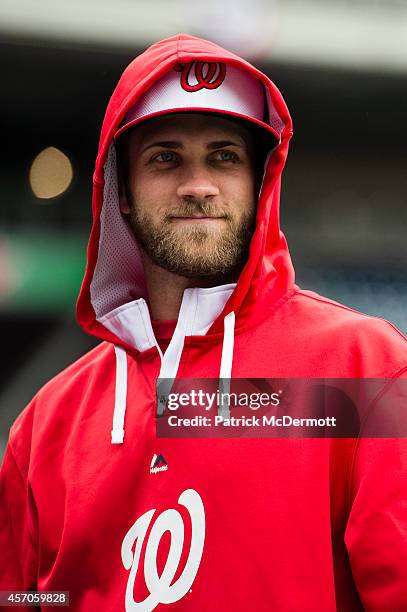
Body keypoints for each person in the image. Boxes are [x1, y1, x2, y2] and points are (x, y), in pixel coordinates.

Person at [0, 33, 406, 612]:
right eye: (165, 157)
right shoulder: (44, 426)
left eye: (225, 156)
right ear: (121, 190)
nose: (199, 185)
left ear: (259, 181)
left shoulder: (367, 371)